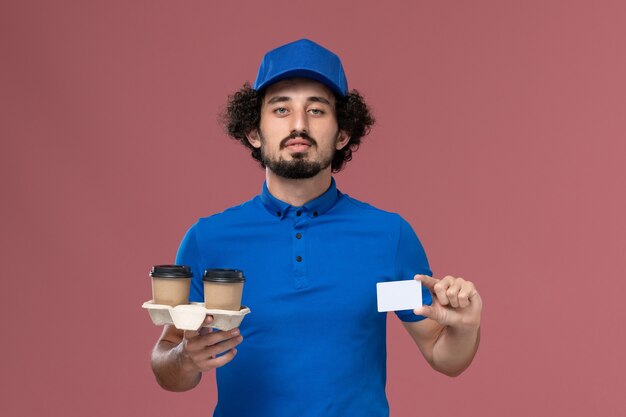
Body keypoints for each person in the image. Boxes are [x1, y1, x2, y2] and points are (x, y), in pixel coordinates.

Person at [151, 38, 482, 417]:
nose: (298, 125)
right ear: (253, 132)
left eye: (316, 110)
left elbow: (442, 352)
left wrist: (465, 326)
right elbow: (168, 361)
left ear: (342, 134)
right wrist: (184, 359)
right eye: (280, 109)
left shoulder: (388, 237)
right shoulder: (207, 239)